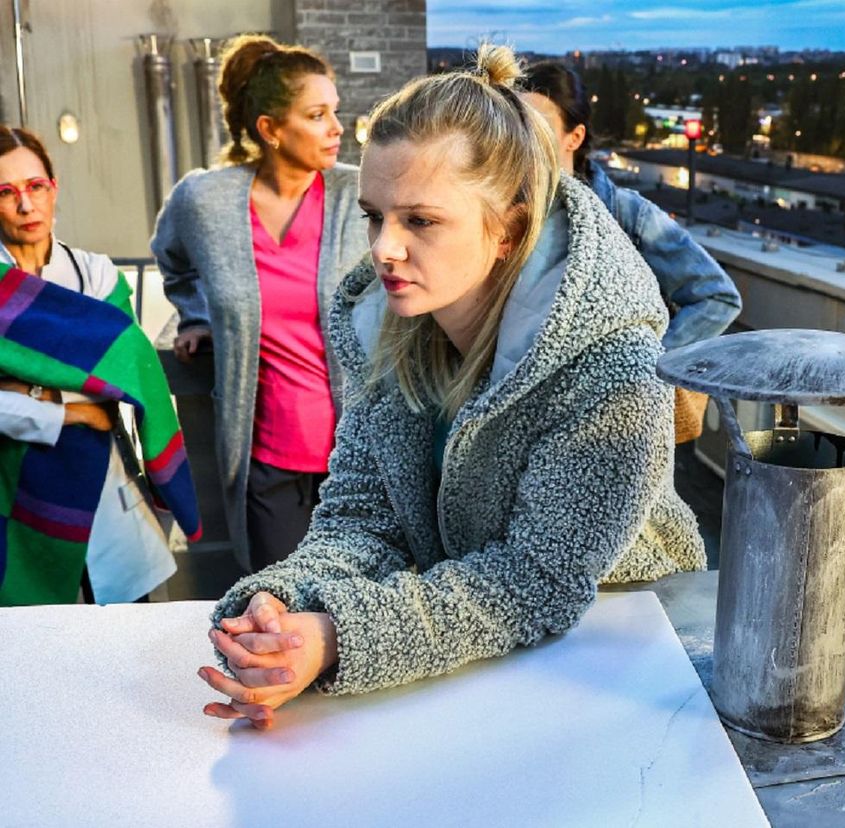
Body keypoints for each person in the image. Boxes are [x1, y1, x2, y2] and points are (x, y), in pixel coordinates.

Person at [196, 45, 706, 729]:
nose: (382, 247)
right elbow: (359, 519)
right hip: (476, 665)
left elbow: (535, 580)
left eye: (421, 220)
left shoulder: (612, 365)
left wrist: (341, 636)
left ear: (510, 229)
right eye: (375, 215)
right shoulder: (396, 333)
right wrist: (285, 608)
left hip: (631, 667)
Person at [151, 35, 368, 573]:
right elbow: (172, 260)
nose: (336, 128)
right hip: (265, 460)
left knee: (354, 605)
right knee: (278, 605)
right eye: (317, 115)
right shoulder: (206, 200)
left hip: (357, 458)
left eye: (335, 112)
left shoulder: (358, 196)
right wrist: (199, 316)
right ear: (270, 129)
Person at [0, 125, 200, 605]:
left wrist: (29, 389)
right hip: (17, 500)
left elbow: (122, 374)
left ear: (54, 187)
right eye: (6, 193)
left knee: (131, 650)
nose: (26, 206)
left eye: (36, 187)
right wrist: (68, 410)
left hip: (108, 497)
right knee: (42, 656)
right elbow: (96, 382)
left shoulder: (95, 271)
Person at [519, 61, 742, 351]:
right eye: (519, 122)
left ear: (575, 137)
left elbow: (717, 297)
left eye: (539, 126)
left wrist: (647, 366)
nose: (523, 136)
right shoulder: (505, 210)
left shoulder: (627, 215)